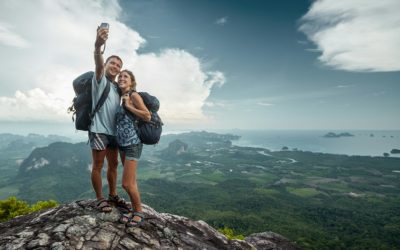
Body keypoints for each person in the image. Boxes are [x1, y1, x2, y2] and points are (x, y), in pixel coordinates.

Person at [90, 25, 129, 212]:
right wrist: (98, 46)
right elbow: (98, 62)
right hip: (98, 129)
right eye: (112, 63)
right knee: (98, 165)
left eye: (119, 66)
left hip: (114, 133)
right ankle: (100, 199)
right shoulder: (100, 80)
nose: (115, 66)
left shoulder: (116, 88)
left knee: (113, 165)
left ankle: (113, 195)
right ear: (106, 65)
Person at [116, 69, 151, 226]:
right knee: (132, 181)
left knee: (126, 184)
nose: (122, 78)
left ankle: (139, 213)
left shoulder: (134, 95)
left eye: (126, 76)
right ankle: (134, 209)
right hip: (122, 144)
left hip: (132, 144)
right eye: (120, 76)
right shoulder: (119, 97)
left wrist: (129, 106)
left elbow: (147, 115)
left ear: (132, 82)